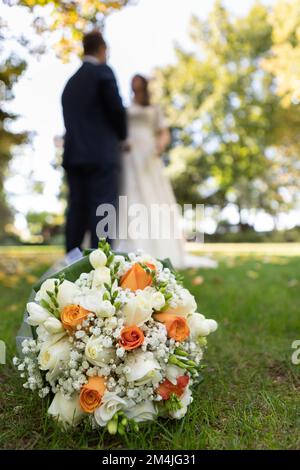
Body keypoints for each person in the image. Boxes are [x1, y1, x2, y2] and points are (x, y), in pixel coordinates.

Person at [117, 74, 217, 269]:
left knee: (153, 199)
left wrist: (159, 147)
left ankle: (160, 248)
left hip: (148, 153)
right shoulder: (125, 109)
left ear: (144, 85)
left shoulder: (154, 109)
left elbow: (163, 132)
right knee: (130, 197)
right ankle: (130, 246)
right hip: (129, 156)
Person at [61, 30, 127, 252]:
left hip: (74, 156)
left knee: (76, 211)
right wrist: (123, 135)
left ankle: (70, 261)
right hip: (101, 156)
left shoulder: (69, 85)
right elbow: (116, 110)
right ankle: (101, 266)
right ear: (102, 49)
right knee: (103, 210)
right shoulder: (103, 73)